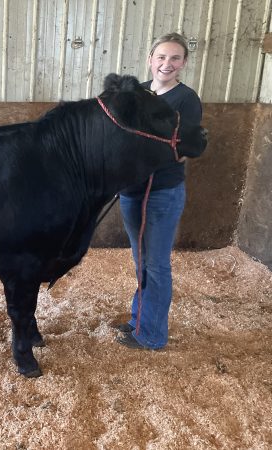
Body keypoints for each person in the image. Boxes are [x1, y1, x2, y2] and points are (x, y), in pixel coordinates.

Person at [115, 32, 203, 350]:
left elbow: (184, 147)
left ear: (184, 63)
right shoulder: (136, 91)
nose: (167, 64)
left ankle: (152, 335)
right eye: (161, 57)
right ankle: (141, 320)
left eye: (175, 58)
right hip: (131, 190)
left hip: (162, 191)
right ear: (150, 59)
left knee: (156, 264)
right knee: (141, 262)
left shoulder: (186, 100)